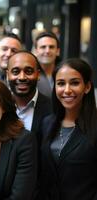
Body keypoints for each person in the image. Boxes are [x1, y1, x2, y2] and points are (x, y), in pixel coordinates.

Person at [37, 58, 97, 200]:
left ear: (87, 87)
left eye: (75, 83)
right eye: (61, 83)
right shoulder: (46, 123)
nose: (67, 90)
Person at [7, 50, 52, 136]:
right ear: (7, 75)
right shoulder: (0, 106)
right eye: (16, 72)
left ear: (38, 75)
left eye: (28, 71)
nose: (22, 77)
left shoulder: (53, 108)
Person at [34, 31, 61, 98]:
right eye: (43, 47)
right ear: (36, 51)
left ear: (57, 51)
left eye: (51, 47)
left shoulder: (65, 73)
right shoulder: (29, 74)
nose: (47, 51)